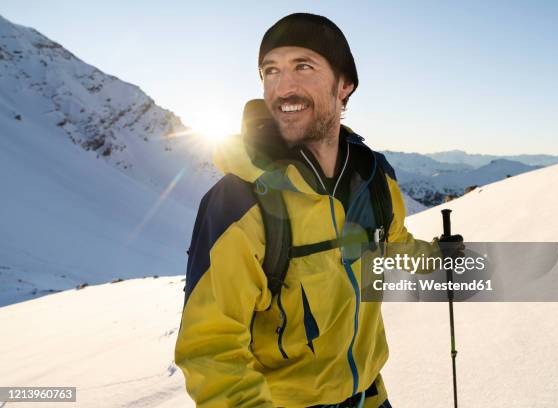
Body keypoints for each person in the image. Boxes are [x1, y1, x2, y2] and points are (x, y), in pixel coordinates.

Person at [175, 13, 462, 407]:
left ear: (344, 86)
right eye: (270, 71)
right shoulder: (240, 202)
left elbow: (392, 246)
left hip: (372, 397)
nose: (283, 87)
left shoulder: (374, 178)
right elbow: (211, 349)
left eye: (303, 66)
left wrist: (438, 261)